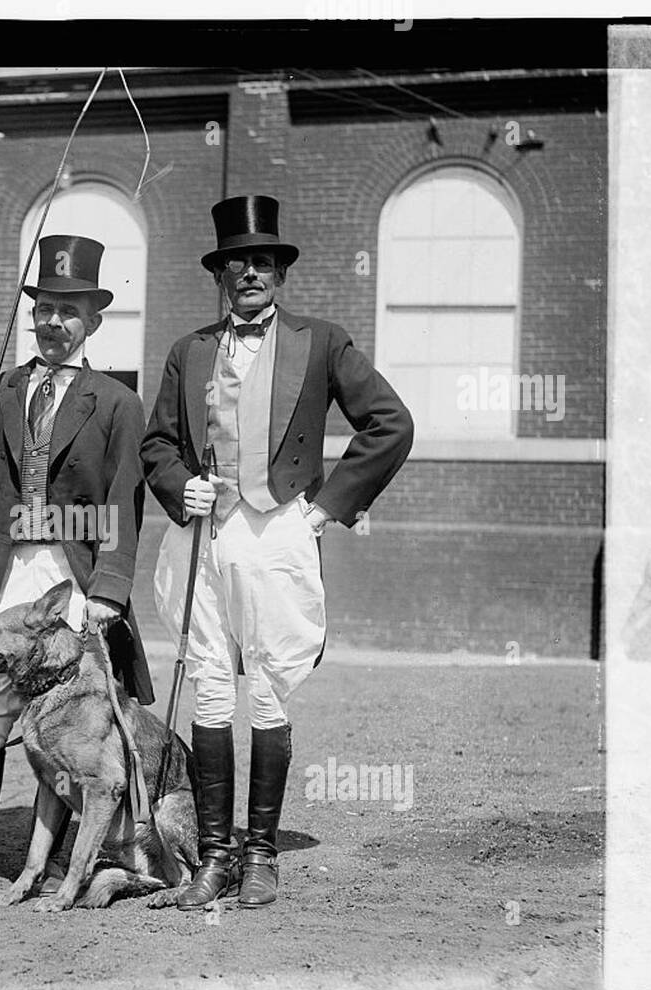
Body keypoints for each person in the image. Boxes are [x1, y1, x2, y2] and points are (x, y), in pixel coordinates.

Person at [141, 195, 414, 910]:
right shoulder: (189, 350)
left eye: (264, 261)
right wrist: (180, 488)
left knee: (264, 682)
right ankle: (214, 856)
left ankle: (260, 854)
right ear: (221, 275)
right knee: (207, 679)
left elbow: (390, 423)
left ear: (279, 274)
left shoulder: (320, 341)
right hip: (203, 532)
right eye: (239, 262)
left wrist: (324, 509)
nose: (251, 273)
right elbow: (157, 444)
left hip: (277, 529)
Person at [0, 234, 153, 906]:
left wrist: (109, 589)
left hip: (74, 578)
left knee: (76, 715)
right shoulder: (4, 388)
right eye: (44, 307)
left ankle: (73, 859)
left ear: (94, 320)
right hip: (6, 574)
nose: (54, 321)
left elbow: (122, 501)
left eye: (69, 310)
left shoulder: (116, 402)